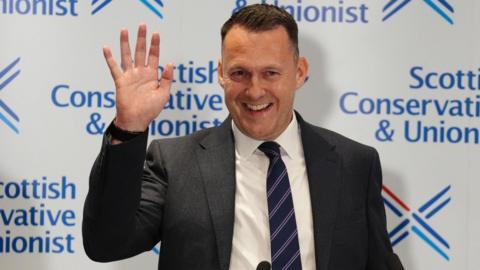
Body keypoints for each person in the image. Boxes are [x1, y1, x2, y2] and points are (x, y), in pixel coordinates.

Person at [82, 4, 402, 270]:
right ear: (221, 73)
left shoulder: (354, 164)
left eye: (270, 73)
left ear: (300, 72)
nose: (255, 90)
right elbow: (106, 243)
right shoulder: (175, 162)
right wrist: (129, 127)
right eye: (239, 73)